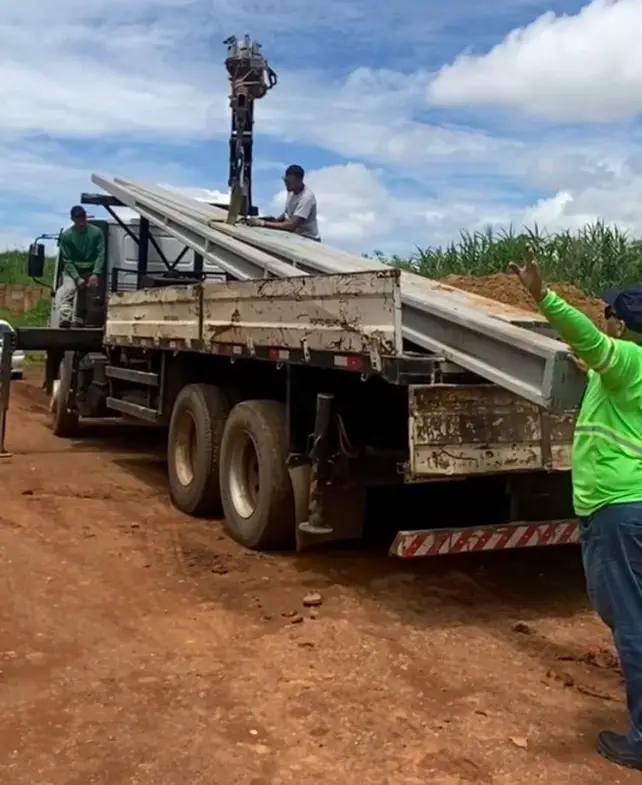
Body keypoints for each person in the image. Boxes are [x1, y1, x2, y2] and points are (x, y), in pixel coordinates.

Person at [510, 252, 642, 771]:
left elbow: (586, 340)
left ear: (622, 322)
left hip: (617, 510)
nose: (605, 317)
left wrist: (542, 296)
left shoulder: (628, 363)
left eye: (610, 311)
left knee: (631, 622)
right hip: (630, 505)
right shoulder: (619, 376)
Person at [55, 205, 105, 327]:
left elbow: (101, 254)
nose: (81, 220)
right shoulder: (67, 236)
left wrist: (96, 273)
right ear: (72, 219)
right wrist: (77, 277)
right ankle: (65, 318)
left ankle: (81, 319)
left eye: (83, 217)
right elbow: (67, 260)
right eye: (78, 218)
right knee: (70, 288)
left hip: (90, 270)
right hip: (72, 270)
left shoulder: (97, 233)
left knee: (89, 295)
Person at [247, 164, 321, 241]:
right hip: (295, 236)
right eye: (285, 181)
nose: (286, 184)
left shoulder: (306, 198)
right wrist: (274, 221)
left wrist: (262, 223)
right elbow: (288, 213)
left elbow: (291, 226)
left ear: (299, 180)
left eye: (289, 182)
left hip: (308, 238)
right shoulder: (291, 191)